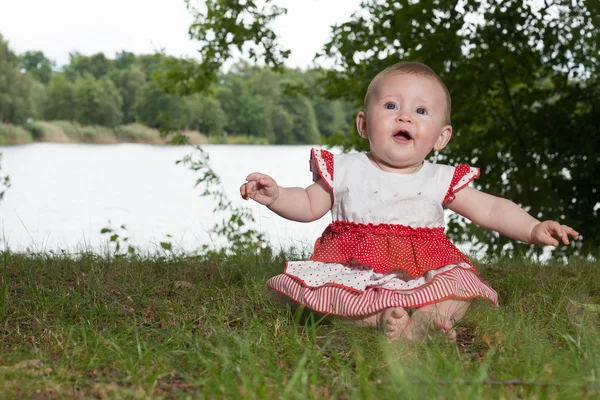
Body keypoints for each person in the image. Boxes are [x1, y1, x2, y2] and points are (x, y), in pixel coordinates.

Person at [239, 61, 579, 341]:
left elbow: (491, 208)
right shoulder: (344, 169)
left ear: (441, 137)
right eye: (390, 106)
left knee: (459, 290)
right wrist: (279, 196)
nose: (405, 117)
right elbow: (309, 205)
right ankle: (378, 319)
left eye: (420, 110)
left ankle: (428, 320)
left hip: (424, 269)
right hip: (355, 271)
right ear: (363, 123)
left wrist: (533, 228)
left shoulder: (439, 178)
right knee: (319, 295)